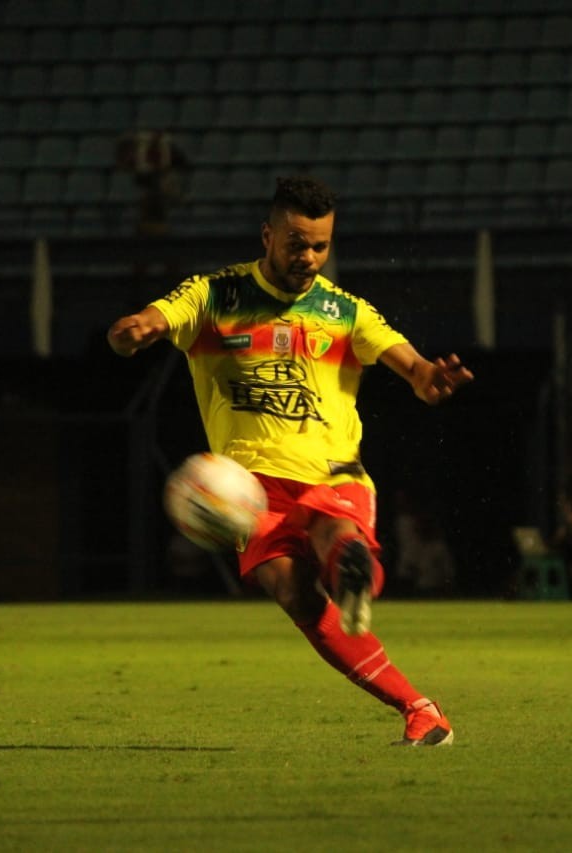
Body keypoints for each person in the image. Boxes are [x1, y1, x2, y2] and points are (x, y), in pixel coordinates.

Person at [107, 175, 473, 746]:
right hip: (249, 490)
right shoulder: (216, 296)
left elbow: (413, 367)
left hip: (332, 471)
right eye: (297, 243)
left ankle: (352, 569)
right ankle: (421, 710)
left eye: (320, 246)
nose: (309, 257)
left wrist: (428, 378)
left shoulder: (345, 311)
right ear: (267, 236)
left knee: (333, 537)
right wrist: (133, 332)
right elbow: (151, 321)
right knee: (292, 591)